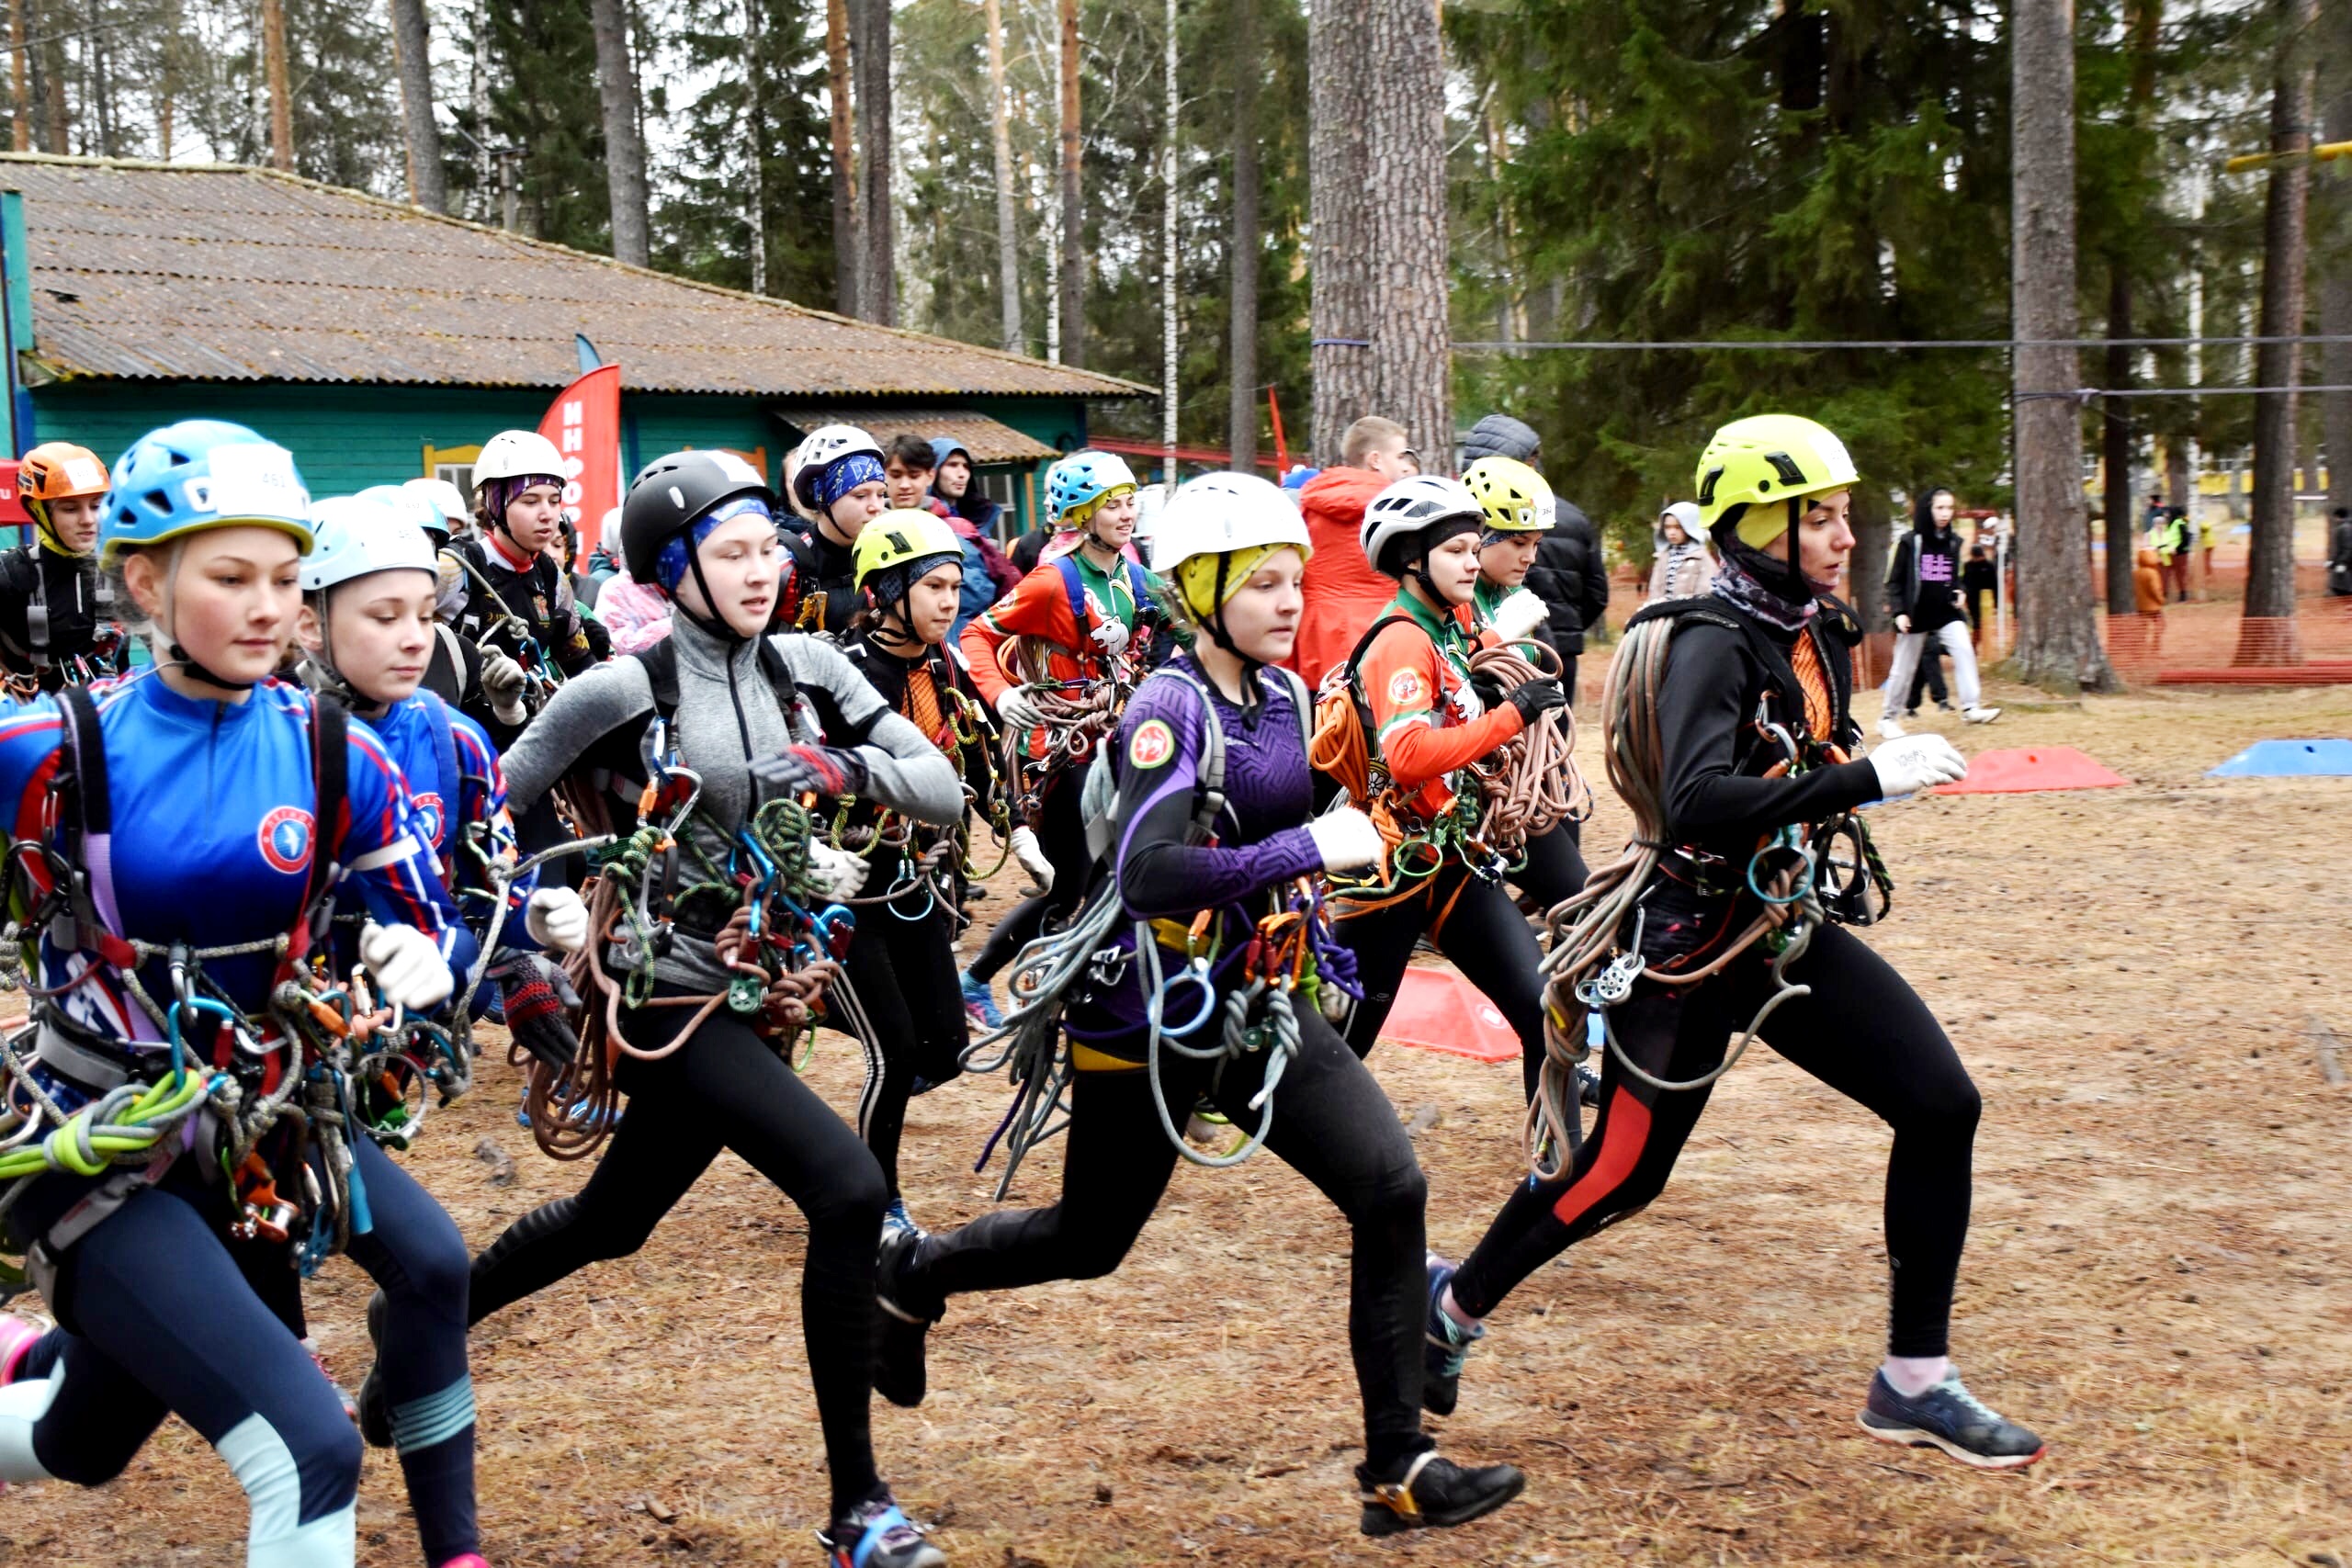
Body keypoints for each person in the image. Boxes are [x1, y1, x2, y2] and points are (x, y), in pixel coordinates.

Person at [873, 472, 1528, 1540]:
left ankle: (1396, 1468)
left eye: (1294, 583)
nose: (1288, 603)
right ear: (1202, 590)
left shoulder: (1279, 696)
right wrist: (1302, 847)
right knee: (1091, 1239)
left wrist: (1397, 782)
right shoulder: (1166, 708)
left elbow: (1302, 798)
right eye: (1264, 585)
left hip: (1258, 1000)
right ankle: (918, 1271)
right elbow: (1150, 873)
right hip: (1145, 1008)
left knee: (1390, 1188)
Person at [1424, 412, 2046, 1473]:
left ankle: (1912, 1379)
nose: (1846, 538)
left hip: (1780, 925)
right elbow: (1696, 798)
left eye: (1845, 517)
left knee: (1942, 1105)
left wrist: (1860, 749)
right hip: (1688, 945)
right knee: (1617, 1175)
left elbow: (1793, 749)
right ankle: (1453, 1303)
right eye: (1825, 518)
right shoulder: (1710, 636)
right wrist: (1863, 778)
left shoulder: (1805, 625)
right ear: (1761, 522)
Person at [450, 449, 963, 1568]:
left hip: (761, 990)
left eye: (769, 547)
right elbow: (481, 805)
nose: (762, 569)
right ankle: (857, 1508)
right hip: (660, 998)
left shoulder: (812, 665)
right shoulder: (623, 688)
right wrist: (528, 931)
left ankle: (419, 1336)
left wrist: (841, 772)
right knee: (848, 1186)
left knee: (611, 1222)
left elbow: (941, 786)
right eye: (732, 553)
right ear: (672, 567)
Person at [0, 419, 491, 1568]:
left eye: (284, 577)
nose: (269, 607)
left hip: (261, 1125)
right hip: (98, 1149)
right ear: (143, 582)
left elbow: (429, 920)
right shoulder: (48, 751)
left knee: (87, 1440)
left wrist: (428, 962)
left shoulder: (333, 750)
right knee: (312, 1446)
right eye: (231, 578)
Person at [1319, 475, 1564, 1104]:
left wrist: (1501, 671)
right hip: (1393, 874)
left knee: (1541, 1011)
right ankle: (1227, 1094)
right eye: (1456, 549)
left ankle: (1557, 1174)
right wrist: (1512, 715)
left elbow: (1475, 675)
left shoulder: (1450, 625)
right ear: (1411, 559)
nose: (1472, 560)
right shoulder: (1402, 638)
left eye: (1475, 547)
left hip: (1449, 858)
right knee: (1341, 1045)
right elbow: (1407, 757)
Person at [838, 510, 1010, 1234]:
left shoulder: (940, 664)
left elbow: (982, 752)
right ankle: (875, 1200)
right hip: (849, 892)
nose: (950, 600)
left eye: (955, 585)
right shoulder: (844, 674)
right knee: (895, 1048)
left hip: (915, 888)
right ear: (885, 591)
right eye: (934, 586)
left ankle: (839, 1136)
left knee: (944, 1049)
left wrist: (1017, 826)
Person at [955, 451, 1146, 1026]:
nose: (1126, 513)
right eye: (1112, 504)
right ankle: (977, 979)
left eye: (1131, 500)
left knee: (1111, 877)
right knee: (1071, 884)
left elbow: (1189, 624)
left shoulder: (1134, 578)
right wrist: (999, 694)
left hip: (1114, 737)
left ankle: (1069, 978)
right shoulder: (1050, 580)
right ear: (1081, 514)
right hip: (1061, 751)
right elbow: (976, 633)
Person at [1463, 455, 1589, 907]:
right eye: (1517, 542)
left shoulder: (1511, 594)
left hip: (1524, 778)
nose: (1530, 556)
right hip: (1466, 794)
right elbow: (1440, 672)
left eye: (1536, 543)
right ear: (1480, 535)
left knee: (1579, 899)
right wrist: (1498, 636)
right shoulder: (1448, 595)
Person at [447, 429, 610, 737]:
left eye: (554, 500)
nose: (547, 514)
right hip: (463, 733)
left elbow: (578, 660)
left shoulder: (551, 576)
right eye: (530, 501)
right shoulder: (457, 568)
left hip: (527, 728)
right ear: (495, 505)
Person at [1293, 416, 1421, 688]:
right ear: (1375, 459)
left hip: (1316, 638)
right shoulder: (1399, 509)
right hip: (1381, 633)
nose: (1403, 464)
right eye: (1399, 455)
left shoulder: (1310, 503)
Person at [0, 442, 125, 695]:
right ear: (38, 510)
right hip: (32, 721)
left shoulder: (124, 570)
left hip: (111, 718)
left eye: (96, 505)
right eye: (70, 508)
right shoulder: (9, 574)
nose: (88, 519)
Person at [1878, 486, 1998, 736]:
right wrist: (1899, 613)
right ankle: (1888, 718)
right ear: (1927, 509)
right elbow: (1894, 582)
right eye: (1940, 507)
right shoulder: (1909, 542)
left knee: (1964, 649)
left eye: (1949, 508)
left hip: (1946, 613)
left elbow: (1956, 578)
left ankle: (1971, 708)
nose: (1945, 513)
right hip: (1914, 615)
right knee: (1904, 667)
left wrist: (1960, 591)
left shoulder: (1954, 542)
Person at [784, 423, 891, 635]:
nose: (876, 507)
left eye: (881, 494)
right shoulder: (789, 567)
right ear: (822, 497)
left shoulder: (893, 557)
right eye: (861, 495)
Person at [922, 437, 1017, 642]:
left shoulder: (976, 522)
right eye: (952, 465)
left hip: (982, 634)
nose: (962, 473)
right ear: (932, 471)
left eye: (966, 466)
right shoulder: (926, 521)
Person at [1523, 491, 1611, 705]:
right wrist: (1570, 627)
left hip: (1515, 648)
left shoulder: (1506, 512)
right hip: (1564, 649)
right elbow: (1597, 593)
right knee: (1558, 730)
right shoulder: (1576, 517)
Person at [1645, 501, 1716, 604]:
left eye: (1678, 527)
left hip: (1690, 612)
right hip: (1662, 610)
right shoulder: (1663, 557)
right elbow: (1655, 588)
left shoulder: (1700, 557)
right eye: (1667, 527)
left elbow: (1705, 589)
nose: (1672, 533)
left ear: (1690, 527)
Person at [1961, 542, 1998, 648]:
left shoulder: (1989, 566)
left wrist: (1996, 603)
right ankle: (1975, 643)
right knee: (1976, 621)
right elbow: (1965, 581)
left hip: (1986, 599)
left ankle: (1983, 643)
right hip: (1972, 598)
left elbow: (1994, 584)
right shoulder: (1968, 565)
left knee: (1985, 622)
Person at [2330, 505, 2352, 598]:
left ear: (2338, 516)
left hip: (2345, 565)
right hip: (2346, 564)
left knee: (2342, 589)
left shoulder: (2344, 528)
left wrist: (2341, 563)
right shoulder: (2347, 527)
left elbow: (2347, 548)